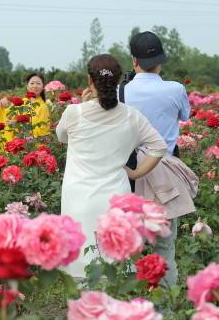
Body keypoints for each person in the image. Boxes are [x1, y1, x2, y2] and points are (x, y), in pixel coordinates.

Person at [56, 54, 167, 278]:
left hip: (79, 197)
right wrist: (136, 172)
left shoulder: (74, 113)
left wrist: (84, 104)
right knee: (116, 268)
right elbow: (159, 147)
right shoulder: (131, 116)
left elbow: (62, 137)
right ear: (118, 81)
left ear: (90, 80)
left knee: (80, 271)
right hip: (116, 197)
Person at [120, 31, 192, 287]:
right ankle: (166, 304)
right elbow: (185, 116)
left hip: (129, 175)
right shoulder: (175, 89)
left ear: (133, 60)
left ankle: (132, 299)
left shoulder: (122, 92)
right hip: (166, 173)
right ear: (161, 60)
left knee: (128, 242)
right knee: (165, 246)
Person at [0, 73, 51, 151]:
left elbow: (41, 132)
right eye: (32, 83)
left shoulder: (43, 107)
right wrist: (1, 105)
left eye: (38, 83)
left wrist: (17, 123)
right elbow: (6, 114)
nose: (35, 86)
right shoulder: (21, 102)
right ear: (27, 86)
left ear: (43, 87)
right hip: (15, 145)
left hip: (32, 148)